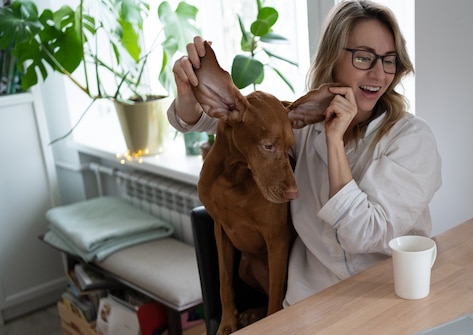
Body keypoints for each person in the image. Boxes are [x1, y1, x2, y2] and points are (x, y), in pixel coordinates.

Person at [168, 0, 442, 307]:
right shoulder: (304, 124)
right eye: (364, 58)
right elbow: (226, 121)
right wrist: (188, 95)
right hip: (309, 301)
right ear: (332, 58)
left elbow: (365, 235)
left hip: (387, 298)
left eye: (389, 60)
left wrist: (335, 141)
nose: (379, 74)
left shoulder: (412, 140)